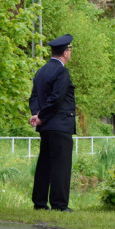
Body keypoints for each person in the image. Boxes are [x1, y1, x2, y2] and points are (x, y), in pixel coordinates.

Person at [29, 34, 76, 212]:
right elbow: (57, 98)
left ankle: (40, 202)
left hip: (46, 126)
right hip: (60, 123)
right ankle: (59, 204)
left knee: (45, 164)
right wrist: (41, 116)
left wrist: (36, 115)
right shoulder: (61, 72)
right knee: (61, 165)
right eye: (70, 50)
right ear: (65, 52)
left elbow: (34, 97)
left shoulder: (42, 71)